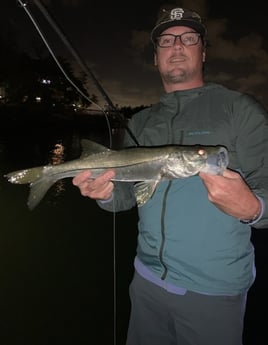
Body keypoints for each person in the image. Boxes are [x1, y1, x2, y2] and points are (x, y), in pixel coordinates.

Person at [72, 6, 268, 345]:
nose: (177, 46)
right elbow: (126, 196)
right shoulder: (140, 123)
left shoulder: (240, 109)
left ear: (203, 51)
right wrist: (103, 193)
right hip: (145, 282)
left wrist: (254, 209)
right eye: (166, 40)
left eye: (188, 38)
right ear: (155, 57)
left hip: (213, 293)